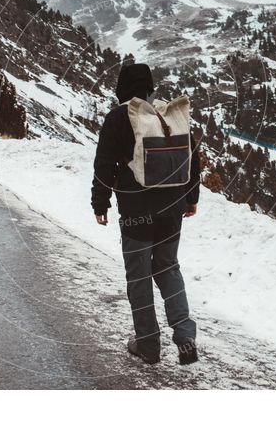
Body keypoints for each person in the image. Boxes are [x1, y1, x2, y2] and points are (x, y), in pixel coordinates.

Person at [92, 63, 201, 365]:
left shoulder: (119, 117)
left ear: (122, 88)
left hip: (137, 212)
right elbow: (191, 158)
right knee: (168, 267)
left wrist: (100, 204)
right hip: (172, 209)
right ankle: (184, 334)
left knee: (139, 277)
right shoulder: (164, 116)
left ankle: (148, 344)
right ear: (149, 88)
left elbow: (104, 165)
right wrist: (191, 198)